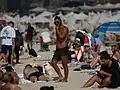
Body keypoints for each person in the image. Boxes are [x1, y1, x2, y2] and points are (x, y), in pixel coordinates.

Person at [51, 16, 69, 82]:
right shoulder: (57, 29)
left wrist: (57, 30)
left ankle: (65, 78)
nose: (56, 23)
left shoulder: (65, 28)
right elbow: (58, 39)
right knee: (53, 63)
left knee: (64, 64)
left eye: (57, 22)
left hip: (63, 48)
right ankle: (60, 76)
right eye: (55, 22)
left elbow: (61, 37)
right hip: (58, 49)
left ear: (60, 21)